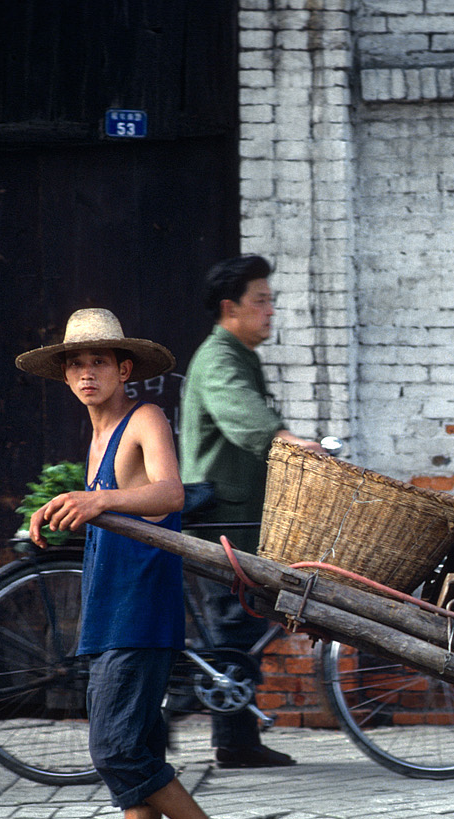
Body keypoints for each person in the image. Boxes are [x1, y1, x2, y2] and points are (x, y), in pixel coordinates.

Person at [18, 307, 255, 819]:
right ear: (65, 375)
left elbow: (168, 494)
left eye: (98, 361)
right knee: (141, 741)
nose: (86, 372)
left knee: (116, 748)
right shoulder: (95, 435)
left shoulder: (143, 417)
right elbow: (109, 505)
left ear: (125, 368)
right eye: (76, 363)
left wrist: (96, 500)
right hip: (108, 602)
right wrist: (63, 506)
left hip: (139, 606)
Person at [179, 254, 326, 767]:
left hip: (242, 512)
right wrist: (284, 439)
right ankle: (232, 739)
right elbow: (239, 409)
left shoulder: (240, 353)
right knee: (233, 620)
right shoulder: (221, 356)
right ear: (230, 309)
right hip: (226, 515)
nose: (270, 312)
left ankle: (237, 738)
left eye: (270, 301)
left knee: (241, 620)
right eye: (260, 302)